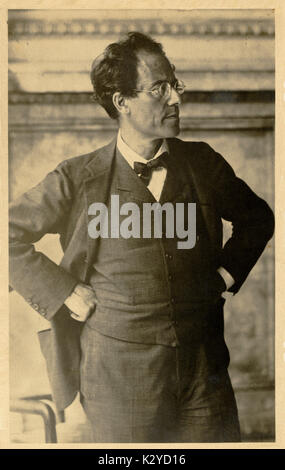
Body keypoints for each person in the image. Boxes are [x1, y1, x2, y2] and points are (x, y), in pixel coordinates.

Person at [9, 32, 274, 443]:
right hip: (118, 380)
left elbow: (258, 218)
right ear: (122, 102)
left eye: (175, 85)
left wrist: (223, 275)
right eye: (159, 89)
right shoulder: (77, 177)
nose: (174, 99)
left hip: (205, 376)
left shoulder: (203, 164)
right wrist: (63, 291)